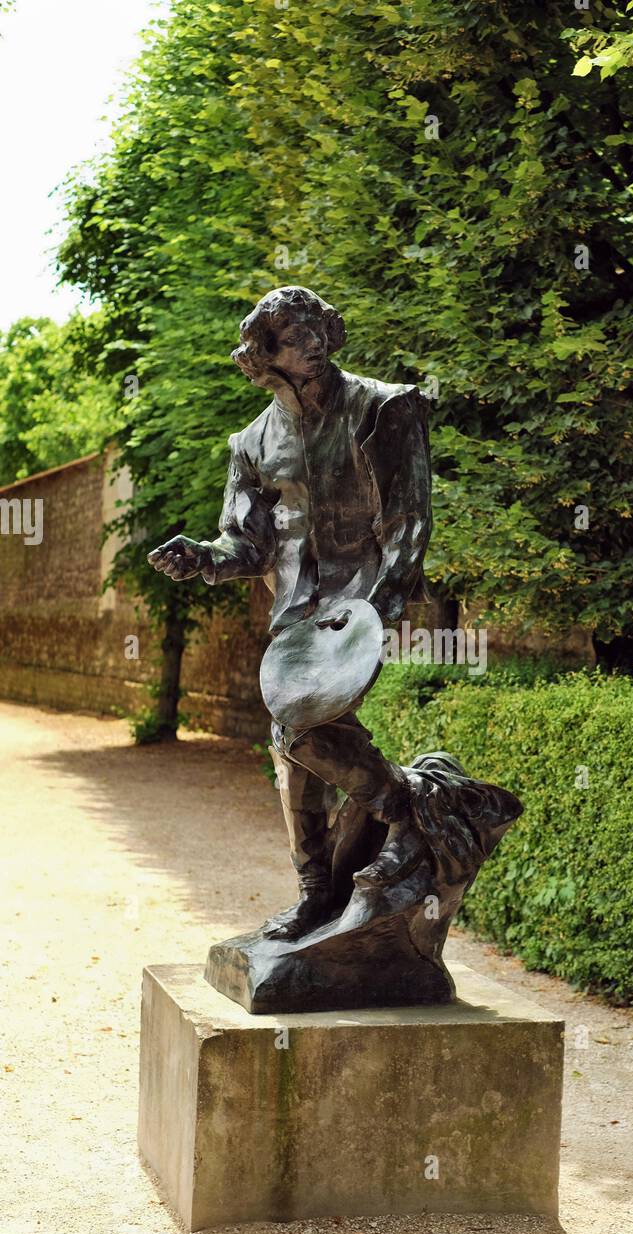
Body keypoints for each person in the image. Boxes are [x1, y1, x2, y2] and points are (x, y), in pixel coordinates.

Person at [148, 286, 432, 939]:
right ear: (264, 355)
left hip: (363, 599)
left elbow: (409, 522)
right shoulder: (250, 442)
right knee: (294, 750)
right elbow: (246, 544)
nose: (309, 336)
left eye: (313, 323)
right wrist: (202, 557)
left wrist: (379, 611)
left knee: (296, 731)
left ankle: (398, 810)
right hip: (296, 615)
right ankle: (325, 888)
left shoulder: (384, 408)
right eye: (289, 331)